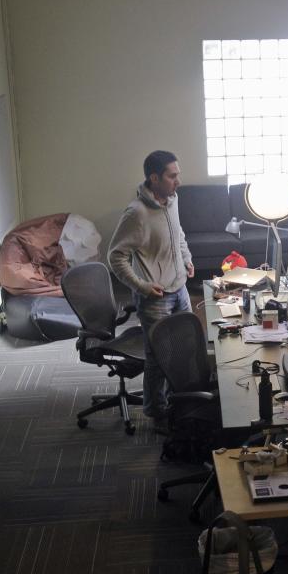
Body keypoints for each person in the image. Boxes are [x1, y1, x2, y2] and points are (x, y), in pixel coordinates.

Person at [108, 150, 194, 419]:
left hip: (180, 287)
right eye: (172, 176)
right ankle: (156, 413)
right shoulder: (136, 213)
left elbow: (177, 232)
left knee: (185, 347)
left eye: (178, 174)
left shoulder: (172, 199)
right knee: (159, 357)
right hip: (155, 296)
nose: (178, 181)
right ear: (154, 178)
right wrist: (141, 286)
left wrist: (186, 259)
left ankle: (177, 401)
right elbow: (116, 256)